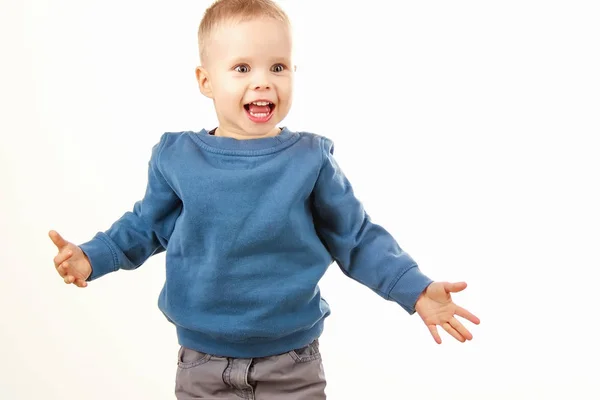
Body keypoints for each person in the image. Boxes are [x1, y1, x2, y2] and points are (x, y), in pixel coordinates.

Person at [49, 0, 480, 398]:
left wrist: (415, 290)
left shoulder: (310, 159)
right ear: (206, 80)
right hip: (202, 363)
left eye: (278, 67)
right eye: (241, 68)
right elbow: (144, 227)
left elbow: (356, 238)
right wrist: (92, 256)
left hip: (292, 363)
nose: (263, 82)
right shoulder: (177, 157)